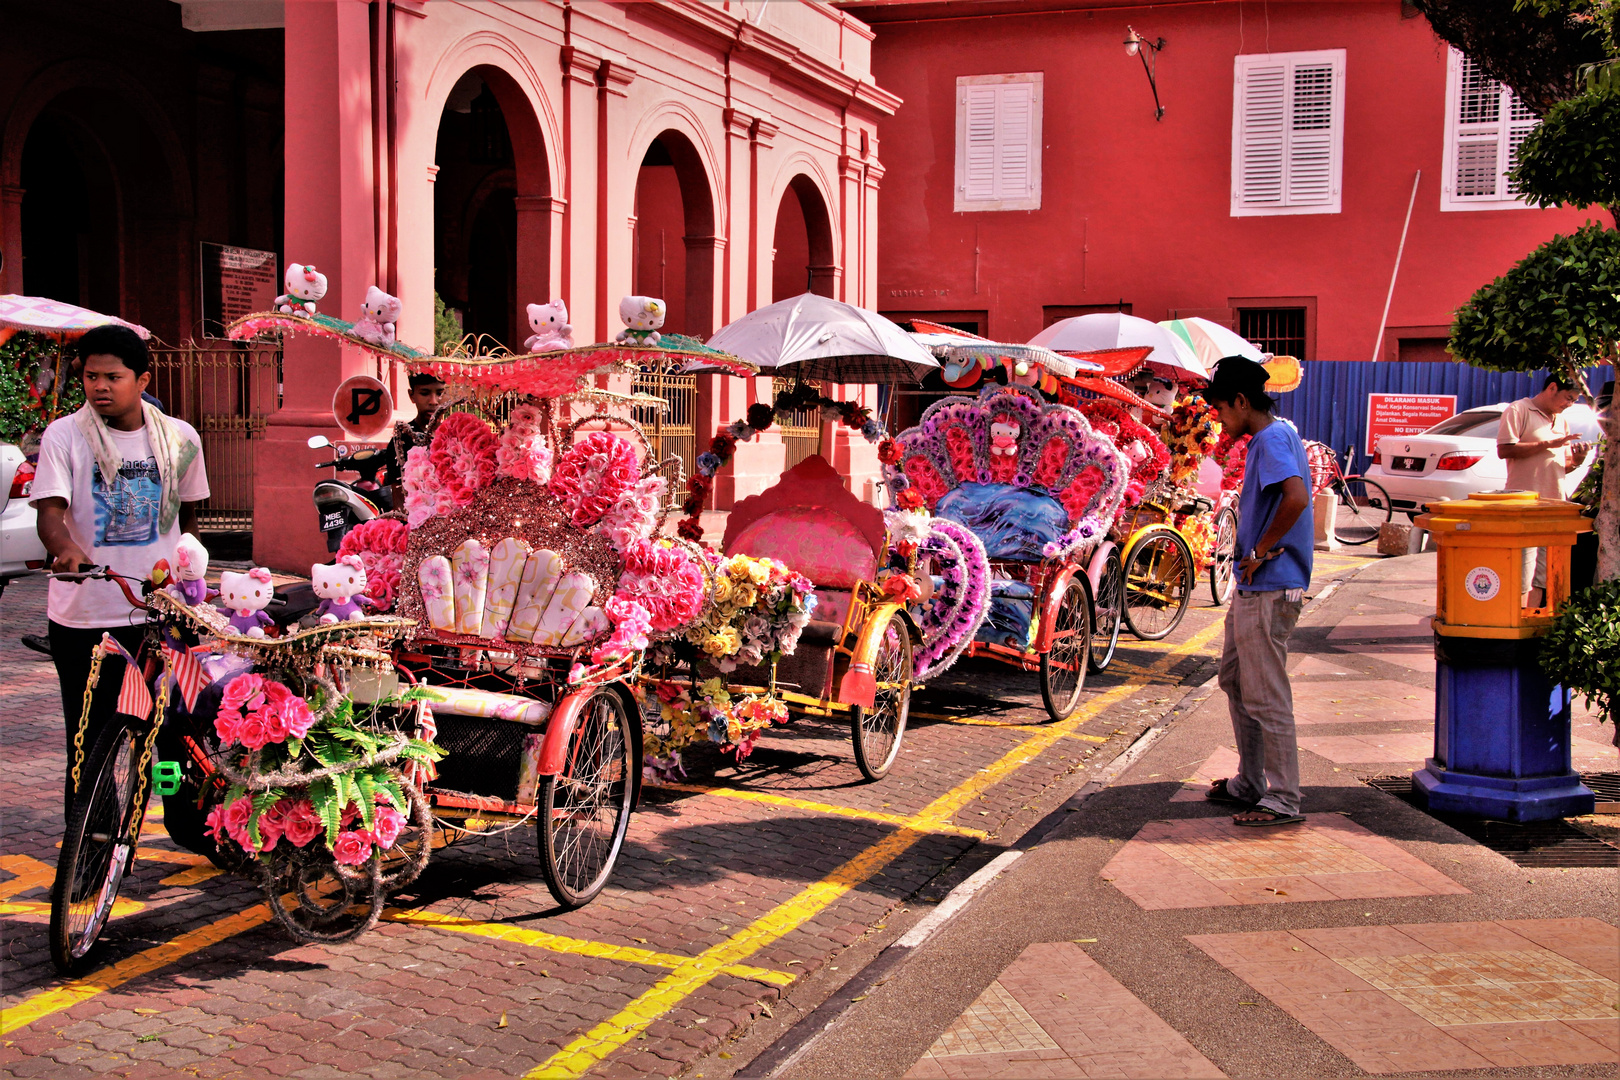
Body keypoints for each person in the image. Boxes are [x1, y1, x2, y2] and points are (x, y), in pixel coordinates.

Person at [31, 325, 210, 817]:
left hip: (163, 613)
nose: (100, 387)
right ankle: (90, 850)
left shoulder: (180, 437)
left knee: (172, 732)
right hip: (85, 615)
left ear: (142, 378)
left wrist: (193, 571)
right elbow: (49, 512)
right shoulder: (64, 435)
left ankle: (186, 818)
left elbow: (189, 519)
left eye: (113, 376)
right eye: (91, 376)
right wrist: (65, 548)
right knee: (88, 741)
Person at [1201, 356, 1313, 827]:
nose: (1220, 419)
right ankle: (1250, 782)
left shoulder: (1270, 439)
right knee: (1235, 679)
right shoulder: (1276, 433)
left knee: (1266, 693)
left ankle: (1283, 797)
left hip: (1269, 585)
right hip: (1255, 586)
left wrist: (1264, 549)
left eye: (1222, 409)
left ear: (1242, 401)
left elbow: (1297, 497)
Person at [1497, 374, 1591, 606]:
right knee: (1522, 572)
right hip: (1524, 504)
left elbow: (1560, 466)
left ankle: (1533, 622)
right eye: (1568, 398)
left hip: (1553, 506)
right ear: (1552, 388)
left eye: (1573, 401)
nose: (1569, 404)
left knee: (1543, 575)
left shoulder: (1561, 421)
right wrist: (1547, 444)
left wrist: (1577, 461)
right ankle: (1516, 622)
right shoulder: (1518, 410)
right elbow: (1505, 450)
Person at [379, 372, 446, 510]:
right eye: (425, 393)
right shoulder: (401, 441)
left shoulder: (457, 435)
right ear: (411, 395)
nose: (433, 401)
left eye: (440, 393)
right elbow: (398, 499)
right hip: (417, 522)